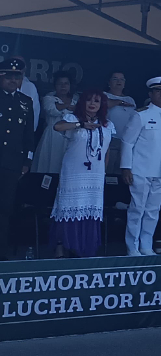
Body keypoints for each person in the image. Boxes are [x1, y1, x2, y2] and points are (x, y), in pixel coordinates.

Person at [119, 77, 161, 257]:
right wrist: (126, 167)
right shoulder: (141, 115)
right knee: (137, 208)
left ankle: (146, 244)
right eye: (159, 91)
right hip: (141, 168)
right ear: (151, 94)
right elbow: (127, 142)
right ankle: (132, 246)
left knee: (153, 210)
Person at [48, 90, 113, 258]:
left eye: (97, 101)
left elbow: (107, 151)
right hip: (74, 172)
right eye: (89, 100)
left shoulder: (107, 125)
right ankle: (62, 246)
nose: (92, 103)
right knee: (68, 206)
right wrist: (81, 125)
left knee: (90, 207)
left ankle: (83, 247)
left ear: (101, 105)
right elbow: (57, 127)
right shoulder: (72, 119)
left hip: (95, 175)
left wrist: (103, 172)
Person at [0, 59, 34, 258]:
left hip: (12, 164)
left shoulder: (25, 101)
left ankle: (2, 253)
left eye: (17, 76)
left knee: (5, 208)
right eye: (8, 76)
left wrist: (27, 162)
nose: (13, 80)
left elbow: (29, 135)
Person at [32, 70, 77, 176]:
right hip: (52, 136)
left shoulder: (76, 101)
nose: (63, 86)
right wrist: (66, 106)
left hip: (70, 137)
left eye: (66, 83)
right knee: (48, 167)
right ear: (55, 85)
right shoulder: (48, 98)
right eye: (60, 83)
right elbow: (51, 110)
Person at [103, 71, 137, 175]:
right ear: (109, 82)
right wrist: (119, 102)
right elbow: (103, 105)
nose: (119, 81)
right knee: (108, 170)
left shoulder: (130, 99)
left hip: (126, 141)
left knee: (121, 172)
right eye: (115, 79)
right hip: (110, 140)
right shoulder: (103, 95)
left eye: (122, 79)